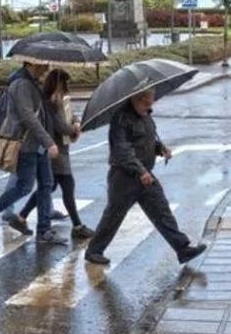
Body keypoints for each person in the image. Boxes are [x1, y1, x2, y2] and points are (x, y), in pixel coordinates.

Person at [85, 88, 206, 266]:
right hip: (124, 177)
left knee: (161, 210)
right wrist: (140, 171)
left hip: (145, 176)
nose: (150, 107)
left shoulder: (145, 115)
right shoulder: (121, 118)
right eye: (147, 103)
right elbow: (122, 150)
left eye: (152, 102)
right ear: (136, 98)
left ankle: (183, 249)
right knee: (114, 215)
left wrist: (159, 148)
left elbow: (146, 140)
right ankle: (94, 250)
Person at [0, 61, 69, 246]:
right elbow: (28, 117)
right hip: (26, 144)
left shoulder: (33, 82)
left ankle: (44, 231)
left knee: (46, 185)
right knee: (24, 187)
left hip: (38, 144)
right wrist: (49, 142)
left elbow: (41, 113)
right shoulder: (20, 85)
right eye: (44, 64)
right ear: (33, 63)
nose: (47, 68)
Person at [7, 69, 95, 241]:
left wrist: (76, 122)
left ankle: (21, 217)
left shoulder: (60, 101)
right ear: (56, 84)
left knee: (48, 187)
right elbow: (60, 126)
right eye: (63, 84)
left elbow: (71, 115)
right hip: (55, 151)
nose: (65, 88)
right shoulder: (48, 103)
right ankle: (77, 226)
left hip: (61, 150)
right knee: (67, 186)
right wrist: (73, 129)